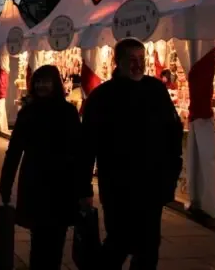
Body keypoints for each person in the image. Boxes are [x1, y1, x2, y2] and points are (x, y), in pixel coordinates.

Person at [80, 38, 183, 270]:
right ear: (118, 62)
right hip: (118, 185)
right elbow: (87, 145)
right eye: (132, 60)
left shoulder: (155, 90)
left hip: (152, 184)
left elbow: (172, 132)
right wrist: (84, 187)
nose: (138, 65)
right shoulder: (102, 97)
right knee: (119, 242)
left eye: (141, 59)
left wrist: (172, 170)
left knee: (148, 246)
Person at [0, 65, 85, 269]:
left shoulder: (67, 112)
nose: (41, 86)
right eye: (38, 81)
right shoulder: (28, 112)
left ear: (55, 83)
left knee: (56, 237)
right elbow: (14, 150)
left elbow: (79, 151)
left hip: (62, 183)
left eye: (46, 81)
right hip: (35, 180)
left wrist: (83, 187)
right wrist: (6, 183)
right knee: (38, 238)